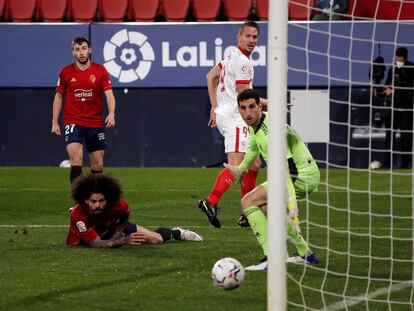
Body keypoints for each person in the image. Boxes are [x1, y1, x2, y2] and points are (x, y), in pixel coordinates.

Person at [224, 89, 320, 266]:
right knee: (268, 208)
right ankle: (306, 254)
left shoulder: (272, 134)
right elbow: (253, 147)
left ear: (260, 106)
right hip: (304, 172)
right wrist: (241, 169)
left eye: (252, 106)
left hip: (299, 175)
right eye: (243, 108)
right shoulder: (258, 122)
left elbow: (285, 174)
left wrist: (293, 208)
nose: (248, 112)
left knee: (248, 201)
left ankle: (273, 258)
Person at [198, 20, 267, 228]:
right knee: (237, 166)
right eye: (248, 36)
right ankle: (210, 202)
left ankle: (247, 213)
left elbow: (211, 76)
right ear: (239, 36)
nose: (252, 41)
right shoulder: (244, 63)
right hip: (235, 119)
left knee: (254, 164)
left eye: (255, 37)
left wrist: (215, 107)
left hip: (227, 115)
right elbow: (243, 95)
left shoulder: (230, 57)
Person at [67, 173, 203, 248]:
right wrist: (123, 240)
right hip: (88, 240)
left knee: (157, 240)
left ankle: (177, 232)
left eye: (101, 201)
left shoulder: (119, 205)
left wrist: (117, 234)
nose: (98, 205)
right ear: (85, 200)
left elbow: (125, 217)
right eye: (93, 201)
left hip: (112, 230)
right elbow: (95, 244)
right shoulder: (78, 215)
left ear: (107, 199)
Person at [51, 37, 116, 184]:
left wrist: (111, 113)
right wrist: (55, 121)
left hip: (95, 122)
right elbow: (59, 96)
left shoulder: (100, 70)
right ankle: (78, 202)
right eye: (77, 49)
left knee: (98, 164)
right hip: (73, 121)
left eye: (84, 48)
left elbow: (109, 95)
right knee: (76, 160)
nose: (81, 52)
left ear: (90, 50)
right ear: (73, 52)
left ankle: (95, 199)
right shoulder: (65, 72)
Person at [370, 47, 414, 169]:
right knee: (389, 137)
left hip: (406, 110)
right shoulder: (392, 68)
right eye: (396, 57)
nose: (397, 59)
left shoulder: (411, 68)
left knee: (406, 137)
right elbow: (388, 85)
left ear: (405, 58)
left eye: (399, 57)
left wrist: (395, 90)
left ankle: (406, 164)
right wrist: (380, 91)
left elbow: (410, 88)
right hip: (393, 109)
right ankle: (387, 163)